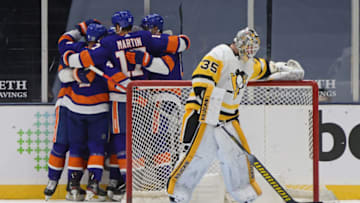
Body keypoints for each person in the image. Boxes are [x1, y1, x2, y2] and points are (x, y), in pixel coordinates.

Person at [62, 10, 190, 201]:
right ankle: (162, 184)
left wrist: (68, 56)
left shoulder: (108, 42)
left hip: (120, 98)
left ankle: (131, 186)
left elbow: (79, 59)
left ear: (118, 27)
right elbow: (183, 43)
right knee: (145, 142)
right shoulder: (145, 37)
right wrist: (172, 41)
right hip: (144, 98)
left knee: (123, 143)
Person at [166, 27, 304, 203]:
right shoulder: (220, 53)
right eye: (247, 48)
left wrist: (284, 69)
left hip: (228, 118)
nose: (249, 52)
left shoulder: (248, 63)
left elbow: (265, 68)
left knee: (237, 157)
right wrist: (211, 112)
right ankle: (178, 194)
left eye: (252, 50)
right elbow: (201, 82)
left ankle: (243, 194)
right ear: (238, 42)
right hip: (203, 115)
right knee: (198, 156)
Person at [43, 19, 103, 201]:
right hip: (67, 104)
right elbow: (63, 74)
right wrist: (79, 74)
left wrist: (79, 29)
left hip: (85, 106)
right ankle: (53, 181)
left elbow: (64, 42)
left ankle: (74, 186)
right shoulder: (78, 48)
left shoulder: (83, 49)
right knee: (62, 144)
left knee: (83, 148)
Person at [141, 13, 186, 80]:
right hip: (154, 87)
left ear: (156, 29)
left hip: (171, 87)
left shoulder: (170, 45)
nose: (143, 32)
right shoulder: (149, 44)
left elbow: (165, 67)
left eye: (146, 28)